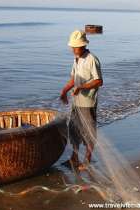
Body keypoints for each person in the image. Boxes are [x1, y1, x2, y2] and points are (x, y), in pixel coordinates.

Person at [60, 30, 103, 171]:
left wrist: (81, 87)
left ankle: (87, 159)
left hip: (88, 103)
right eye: (72, 47)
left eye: (76, 47)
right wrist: (64, 90)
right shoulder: (76, 59)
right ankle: (74, 157)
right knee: (73, 130)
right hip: (76, 102)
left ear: (83, 45)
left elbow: (98, 81)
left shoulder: (92, 59)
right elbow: (74, 78)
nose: (73, 49)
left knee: (88, 131)